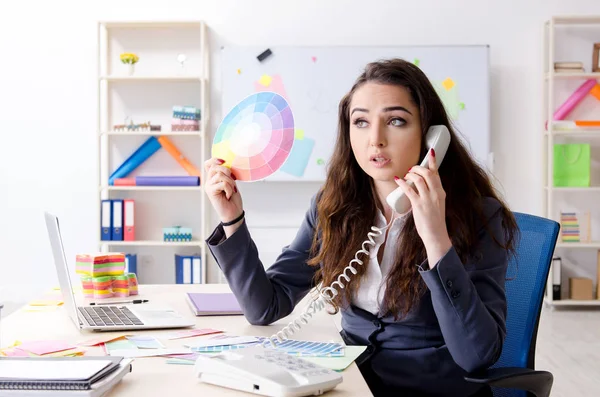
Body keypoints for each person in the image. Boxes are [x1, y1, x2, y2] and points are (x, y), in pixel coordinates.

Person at [202, 58, 518, 397]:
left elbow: (476, 356)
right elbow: (265, 307)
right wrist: (232, 218)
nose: (375, 139)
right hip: (350, 384)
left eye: (396, 121)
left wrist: (436, 239)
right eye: (361, 122)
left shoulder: (479, 215)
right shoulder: (334, 207)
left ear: (430, 136)